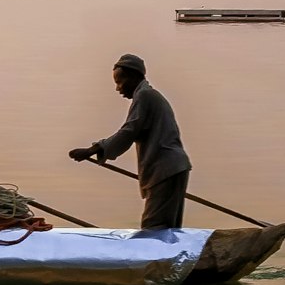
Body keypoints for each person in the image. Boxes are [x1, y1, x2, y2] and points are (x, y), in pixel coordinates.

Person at [68, 53, 192, 230]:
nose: (118, 89)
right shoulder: (147, 96)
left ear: (134, 76)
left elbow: (129, 131)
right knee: (166, 227)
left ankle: (153, 256)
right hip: (171, 168)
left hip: (167, 168)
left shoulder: (145, 96)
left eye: (120, 82)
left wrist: (93, 149)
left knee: (154, 226)